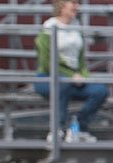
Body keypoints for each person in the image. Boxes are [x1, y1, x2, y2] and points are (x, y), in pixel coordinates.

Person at [34, 0, 108, 142]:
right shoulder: (49, 28)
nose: (77, 6)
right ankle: (57, 129)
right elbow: (46, 61)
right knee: (62, 85)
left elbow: (80, 59)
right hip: (48, 77)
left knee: (100, 91)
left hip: (74, 78)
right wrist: (70, 75)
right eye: (73, 3)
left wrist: (83, 76)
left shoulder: (76, 27)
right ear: (61, 5)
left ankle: (80, 126)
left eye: (78, 3)